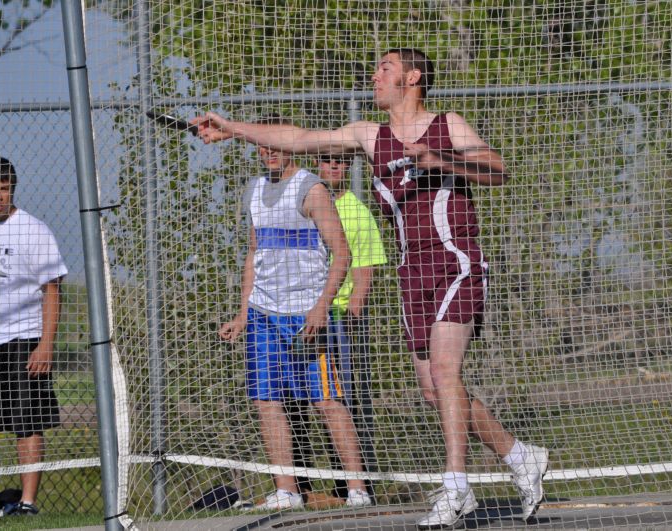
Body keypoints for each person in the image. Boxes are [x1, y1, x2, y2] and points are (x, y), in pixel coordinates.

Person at [194, 48, 549, 528]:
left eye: (385, 67)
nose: (375, 75)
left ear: (413, 76)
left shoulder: (448, 124)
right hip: (411, 270)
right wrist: (233, 127)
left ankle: (456, 487)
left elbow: (497, 169)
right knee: (433, 388)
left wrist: (439, 158)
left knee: (444, 372)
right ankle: (519, 455)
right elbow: (297, 139)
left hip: (455, 259)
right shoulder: (369, 134)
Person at [218, 121, 373, 511]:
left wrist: (321, 306)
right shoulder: (253, 191)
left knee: (326, 400)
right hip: (263, 314)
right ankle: (285, 490)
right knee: (267, 401)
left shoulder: (311, 189)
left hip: (305, 316)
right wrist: (242, 313)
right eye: (262, 147)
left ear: (290, 148)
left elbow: (343, 253)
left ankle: (357, 488)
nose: (269, 152)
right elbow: (254, 254)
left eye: (275, 146)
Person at [0, 155, 68, 518]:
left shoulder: (34, 229)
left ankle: (27, 503)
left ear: (13, 189)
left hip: (22, 339)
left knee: (26, 422)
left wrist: (45, 344)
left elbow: (52, 290)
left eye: (4, 189)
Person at [289, 154, 386, 503]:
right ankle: (298, 486)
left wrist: (347, 318)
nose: (334, 167)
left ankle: (350, 485)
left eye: (340, 162)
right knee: (290, 401)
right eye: (326, 161)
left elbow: (364, 272)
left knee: (333, 401)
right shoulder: (302, 200)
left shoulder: (356, 212)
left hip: (333, 320)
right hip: (293, 315)